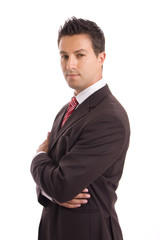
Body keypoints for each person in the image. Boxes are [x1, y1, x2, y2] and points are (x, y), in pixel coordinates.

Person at [31, 17, 130, 240]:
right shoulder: (67, 110)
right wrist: (51, 189)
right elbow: (54, 185)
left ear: (101, 57)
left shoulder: (109, 117)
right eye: (64, 56)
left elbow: (62, 184)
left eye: (80, 55)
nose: (70, 65)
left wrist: (37, 158)